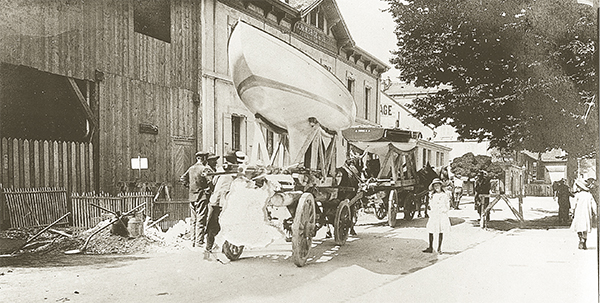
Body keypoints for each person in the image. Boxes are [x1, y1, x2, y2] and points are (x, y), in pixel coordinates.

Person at [205, 150, 246, 255]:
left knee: (212, 225)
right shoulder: (238, 170)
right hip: (227, 201)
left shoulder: (219, 169)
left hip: (215, 200)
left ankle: (208, 248)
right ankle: (226, 248)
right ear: (235, 160)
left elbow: (213, 182)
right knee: (228, 224)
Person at [180, 151, 211, 247]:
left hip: (192, 197)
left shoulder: (191, 168)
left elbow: (182, 179)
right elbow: (210, 182)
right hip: (201, 196)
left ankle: (193, 241)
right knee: (201, 219)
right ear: (204, 159)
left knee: (193, 220)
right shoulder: (205, 169)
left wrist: (189, 187)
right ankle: (199, 241)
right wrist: (207, 190)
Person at [423, 178, 451, 254]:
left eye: (438, 185)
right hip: (434, 214)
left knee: (440, 231)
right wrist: (430, 210)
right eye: (435, 186)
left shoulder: (444, 195)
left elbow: (447, 204)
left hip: (441, 214)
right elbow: (430, 204)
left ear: (441, 186)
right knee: (431, 230)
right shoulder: (432, 195)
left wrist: (444, 210)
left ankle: (439, 248)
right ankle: (430, 247)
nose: (436, 187)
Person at [570, 178, 597, 250]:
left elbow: (574, 205)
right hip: (587, 213)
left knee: (578, 227)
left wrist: (572, 212)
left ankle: (580, 239)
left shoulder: (578, 195)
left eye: (578, 187)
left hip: (579, 213)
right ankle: (584, 240)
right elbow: (594, 205)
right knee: (585, 227)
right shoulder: (589, 195)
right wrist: (595, 212)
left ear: (580, 188)